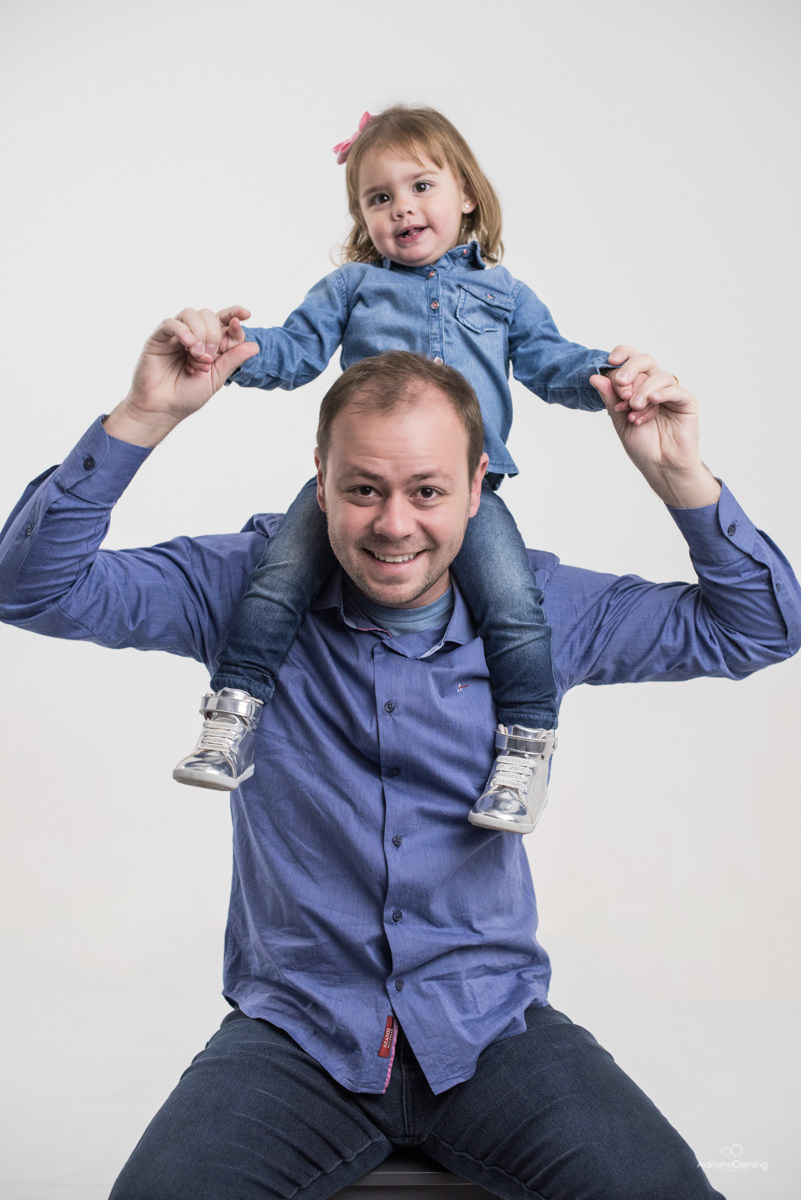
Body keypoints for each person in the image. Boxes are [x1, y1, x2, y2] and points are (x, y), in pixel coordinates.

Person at [1, 312, 798, 1199]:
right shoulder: (240, 589)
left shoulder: (542, 611)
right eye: (362, 489)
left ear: (476, 487)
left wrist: (678, 476)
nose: (392, 526)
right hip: (296, 1039)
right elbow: (31, 588)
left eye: (426, 491)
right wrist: (143, 417)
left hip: (491, 1032)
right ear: (320, 482)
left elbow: (758, 627)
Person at [171, 104, 662, 836]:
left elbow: (547, 361)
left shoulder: (502, 294)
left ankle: (525, 751)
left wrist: (605, 373)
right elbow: (296, 352)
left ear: (465, 192)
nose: (401, 207)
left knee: (515, 605)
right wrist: (236, 351)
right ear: (362, 218)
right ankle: (232, 716)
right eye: (378, 197)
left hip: (461, 494)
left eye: (420, 186)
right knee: (277, 579)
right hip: (360, 486)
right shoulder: (350, 290)